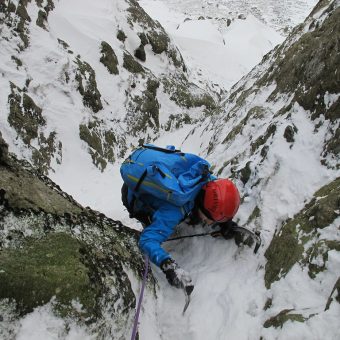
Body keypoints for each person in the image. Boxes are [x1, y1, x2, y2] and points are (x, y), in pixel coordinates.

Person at [120, 144, 240, 294]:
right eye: (213, 220)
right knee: (152, 225)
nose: (212, 224)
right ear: (203, 210)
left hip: (148, 168)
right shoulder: (174, 211)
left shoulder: (205, 180)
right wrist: (167, 265)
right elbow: (147, 240)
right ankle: (149, 220)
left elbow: (217, 196)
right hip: (134, 200)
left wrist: (224, 221)